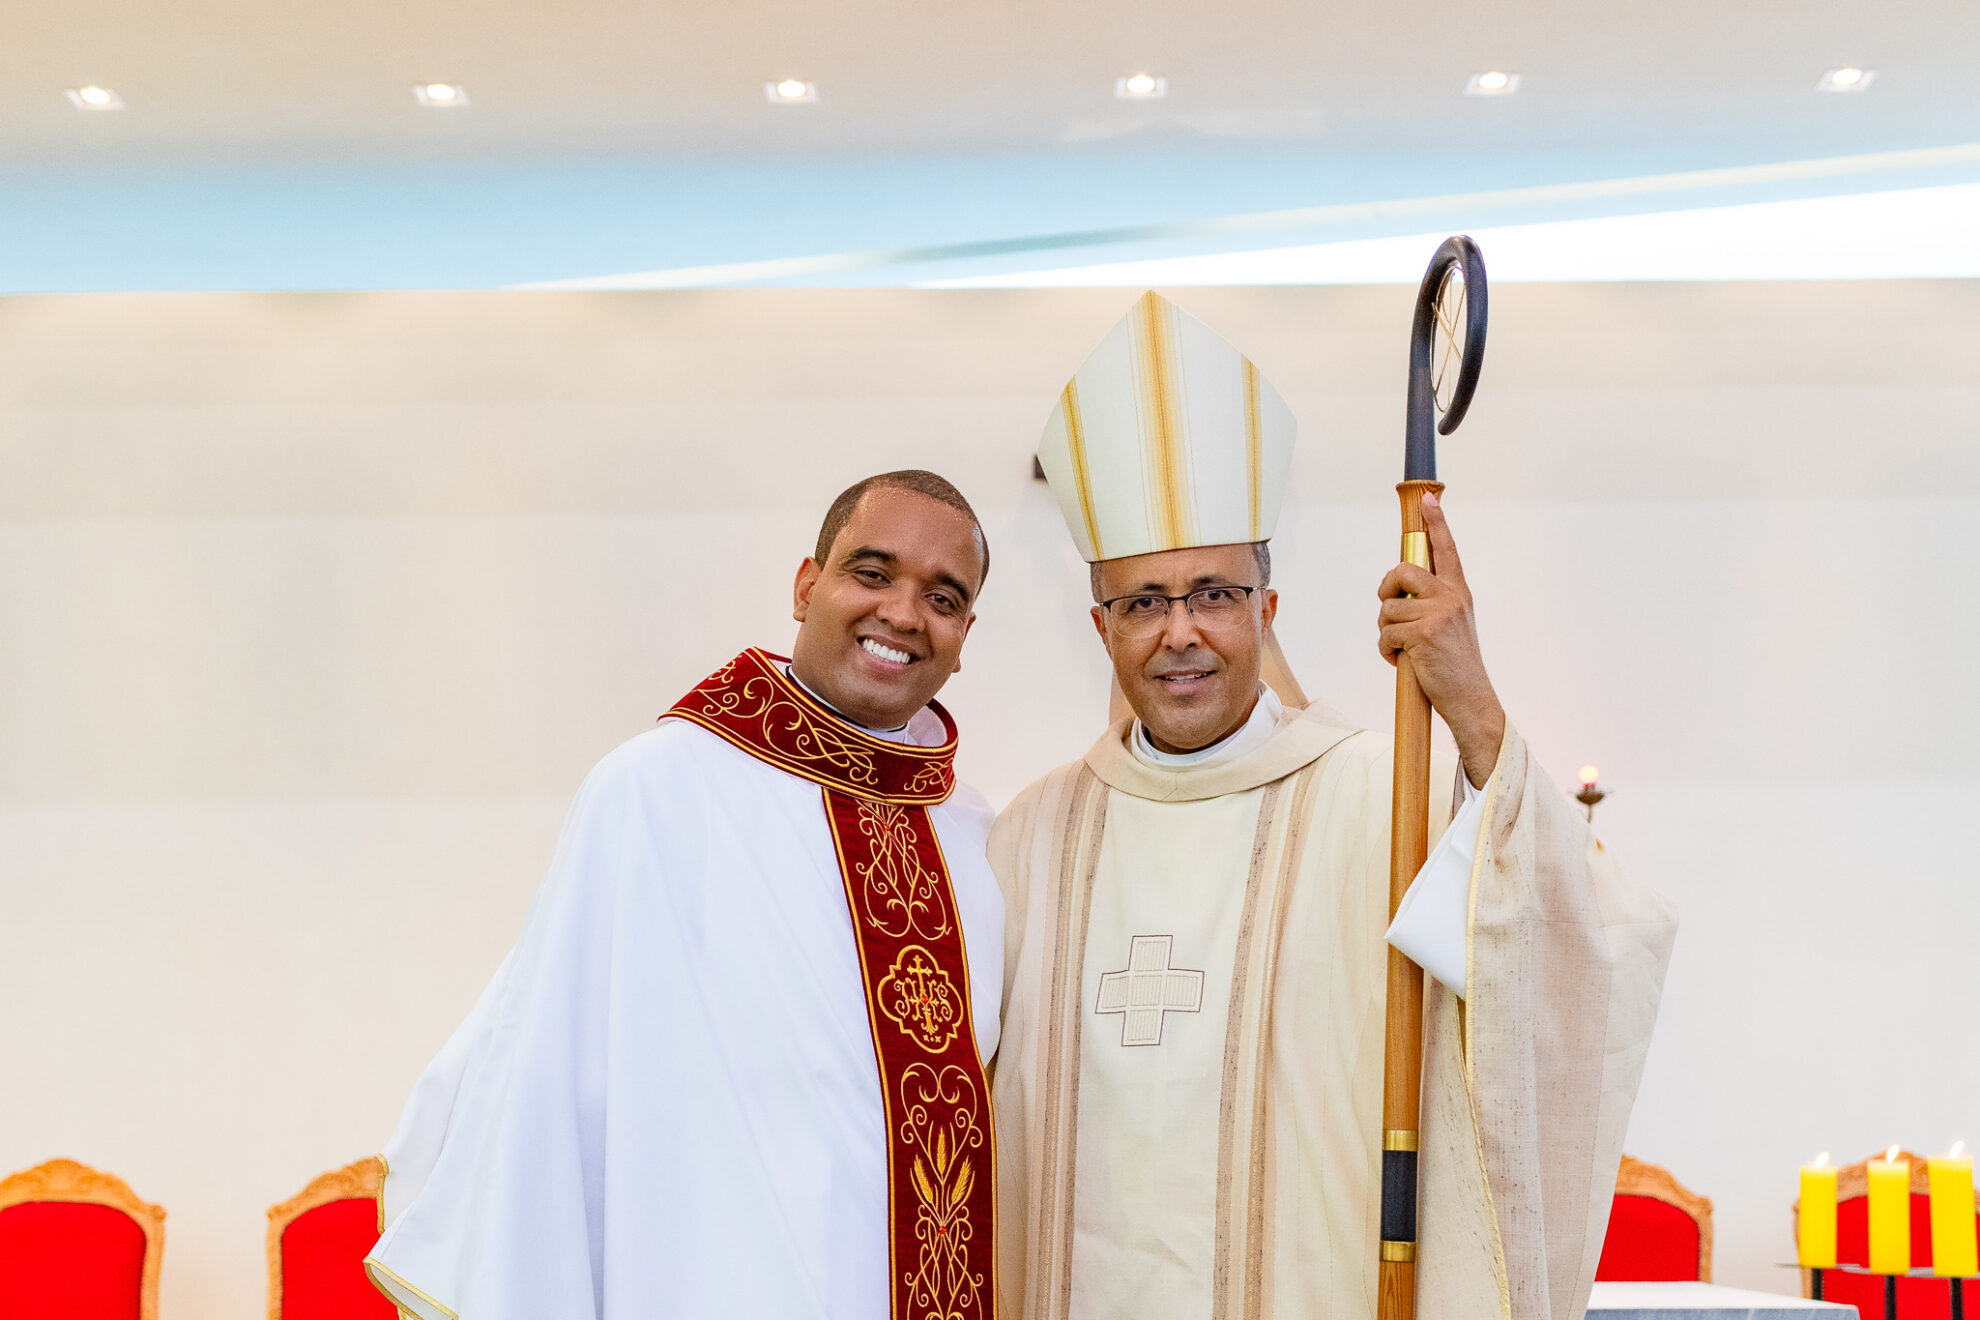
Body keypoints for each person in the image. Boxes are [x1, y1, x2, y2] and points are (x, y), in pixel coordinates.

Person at [991, 292, 1676, 1320]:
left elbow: (1572, 940)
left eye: (1214, 594)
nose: (1182, 632)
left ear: (1265, 610)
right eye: (1144, 602)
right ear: (1101, 627)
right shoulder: (1029, 840)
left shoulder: (1382, 802)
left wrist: (1472, 703)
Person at [365, 470, 1002, 1320]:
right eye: (873, 573)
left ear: (964, 634)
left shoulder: (974, 836)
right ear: (808, 584)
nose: (902, 613)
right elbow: (544, 1068)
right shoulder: (659, 789)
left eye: (943, 596)